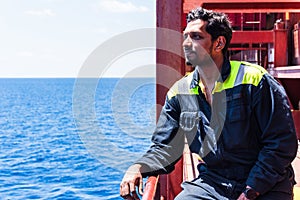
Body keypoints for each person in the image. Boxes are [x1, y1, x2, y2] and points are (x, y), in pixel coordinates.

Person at [120, 7, 297, 200]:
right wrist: (138, 167)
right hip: (214, 183)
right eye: (185, 36)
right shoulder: (180, 92)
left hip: (265, 184)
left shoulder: (255, 80)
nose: (186, 43)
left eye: (195, 36)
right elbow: (166, 148)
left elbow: (280, 144)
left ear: (219, 43)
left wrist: (251, 190)